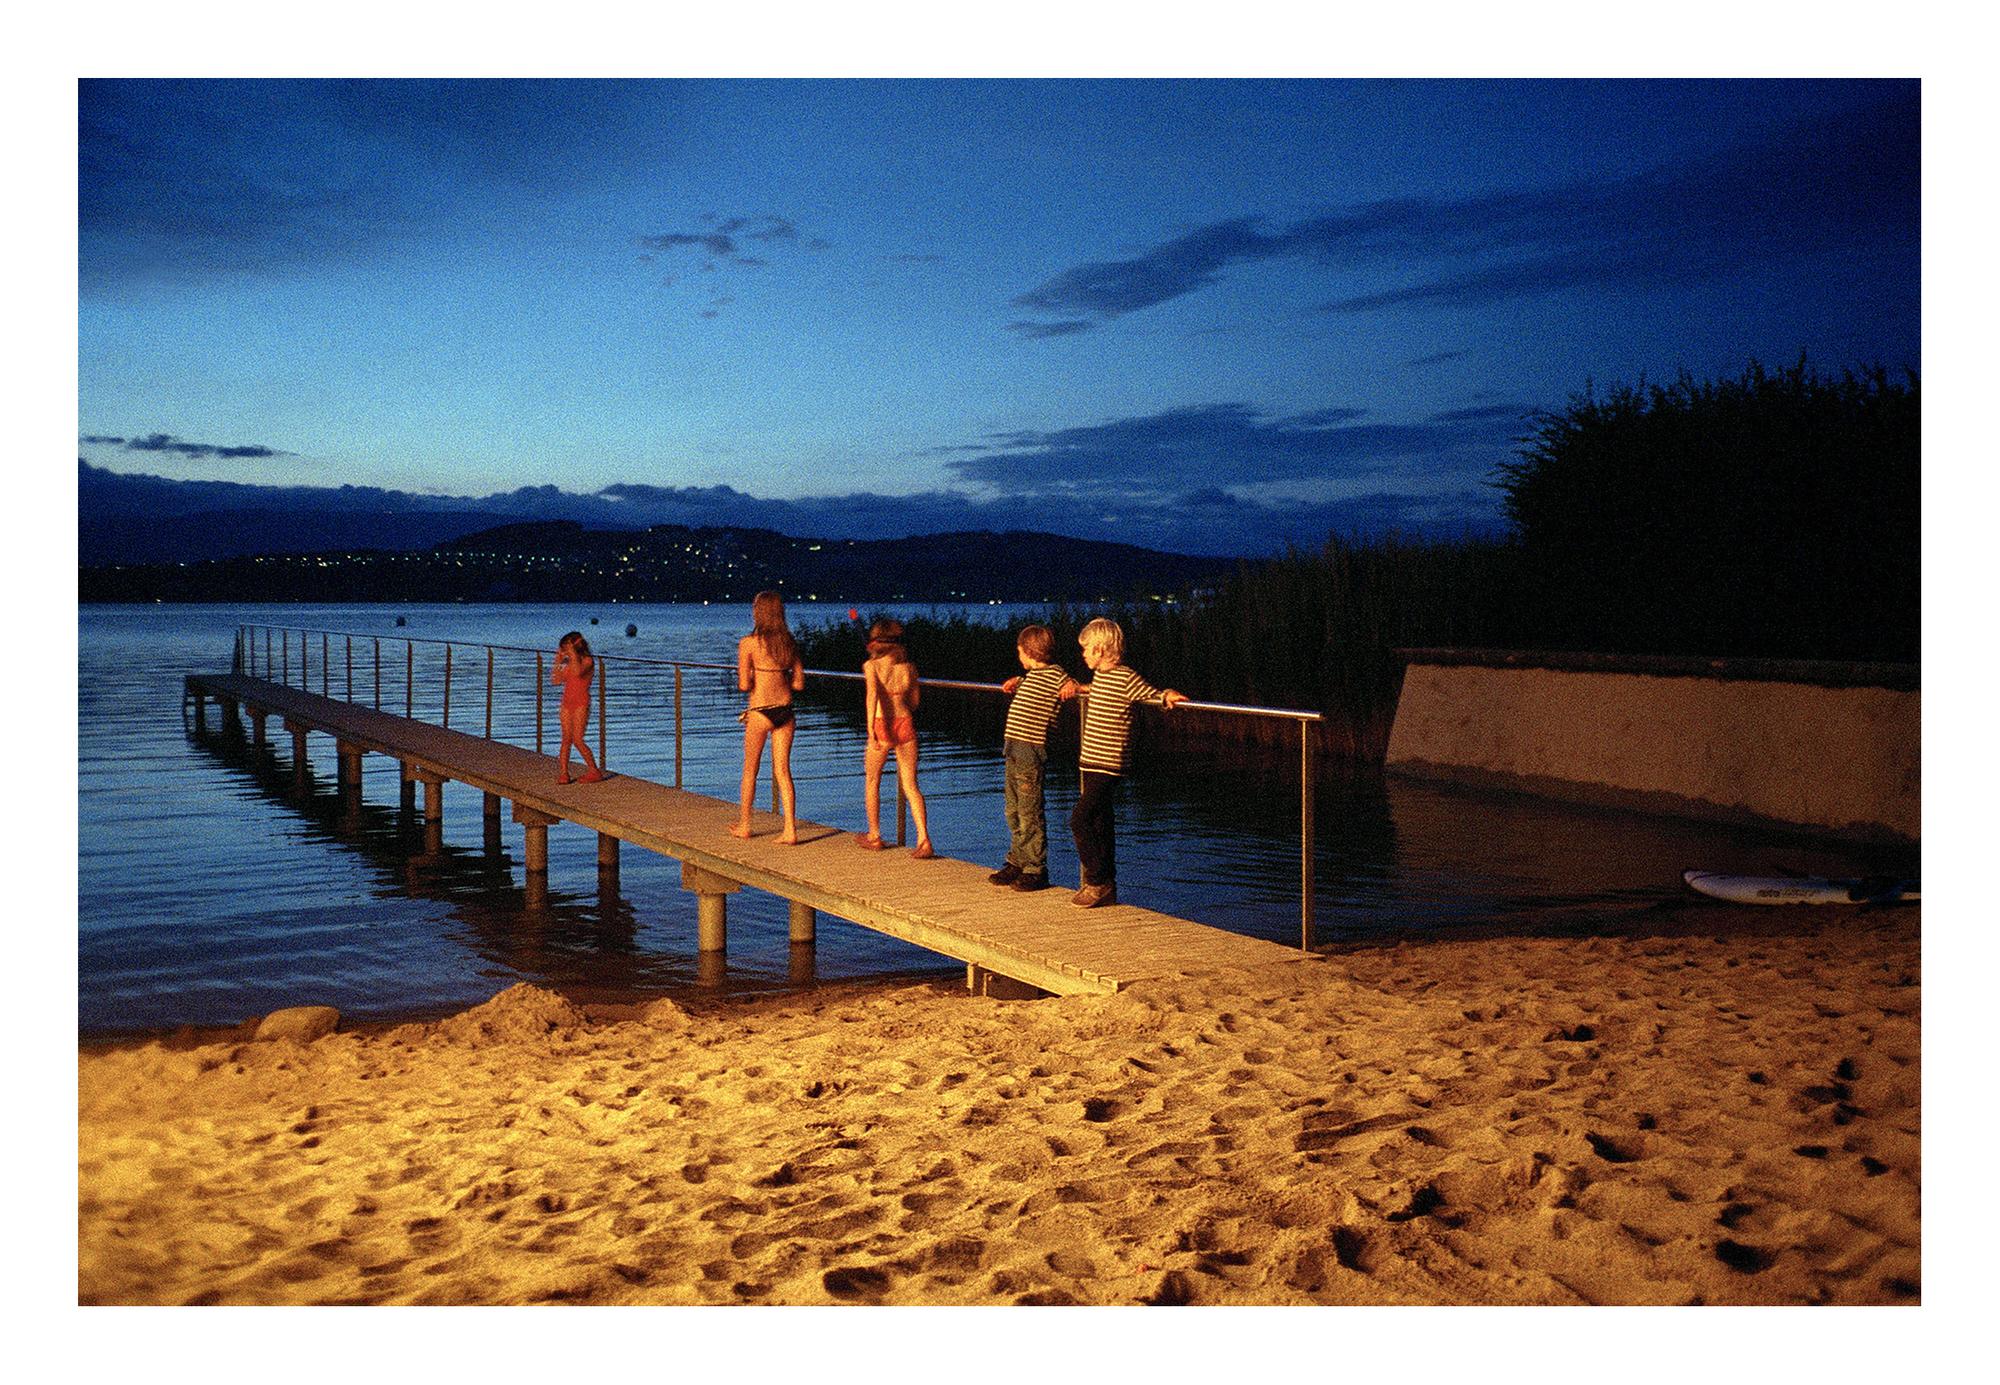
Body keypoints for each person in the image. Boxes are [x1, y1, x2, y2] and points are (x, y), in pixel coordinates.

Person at [1070, 618, 1186, 907]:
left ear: (1099, 650)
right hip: (1091, 760)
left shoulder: (1125, 677)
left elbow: (1149, 693)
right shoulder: (1101, 677)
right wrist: (1081, 688)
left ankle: (1097, 880)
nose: (1083, 655)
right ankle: (1106, 885)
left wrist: (1166, 695)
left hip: (1109, 763)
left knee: (1079, 819)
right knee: (1100, 822)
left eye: (1085, 649)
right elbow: (1100, 693)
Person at [988, 624, 1078, 891]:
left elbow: (1070, 683)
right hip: (1013, 747)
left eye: (1019, 652)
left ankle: (1035, 867)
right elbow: (1031, 685)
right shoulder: (1030, 676)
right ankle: (1017, 859)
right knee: (1013, 808)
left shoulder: (1055, 674)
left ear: (1028, 652)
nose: (1019, 657)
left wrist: (1071, 685)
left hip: (1031, 748)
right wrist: (1018, 681)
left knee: (1029, 811)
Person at [732, 591, 805, 843]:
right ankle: (790, 830)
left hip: (760, 710)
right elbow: (799, 683)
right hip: (785, 710)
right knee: (783, 771)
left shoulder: (748, 643)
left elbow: (743, 685)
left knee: (750, 771)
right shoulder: (789, 642)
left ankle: (745, 825)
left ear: (759, 612)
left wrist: (755, 676)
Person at [858, 618, 934, 858]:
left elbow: (872, 697)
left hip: (882, 724)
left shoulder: (871, 666)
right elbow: (915, 702)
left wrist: (870, 731)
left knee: (872, 781)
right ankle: (923, 839)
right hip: (905, 723)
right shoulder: (909, 668)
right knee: (911, 784)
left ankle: (874, 835)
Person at [551, 632, 606, 785]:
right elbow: (556, 680)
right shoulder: (569, 662)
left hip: (581, 703)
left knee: (577, 739)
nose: (565, 651)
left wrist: (572, 654)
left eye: (567, 648)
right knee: (566, 739)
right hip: (567, 702)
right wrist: (558, 661)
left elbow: (577, 672)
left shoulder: (587, 661)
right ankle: (564, 772)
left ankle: (594, 770)